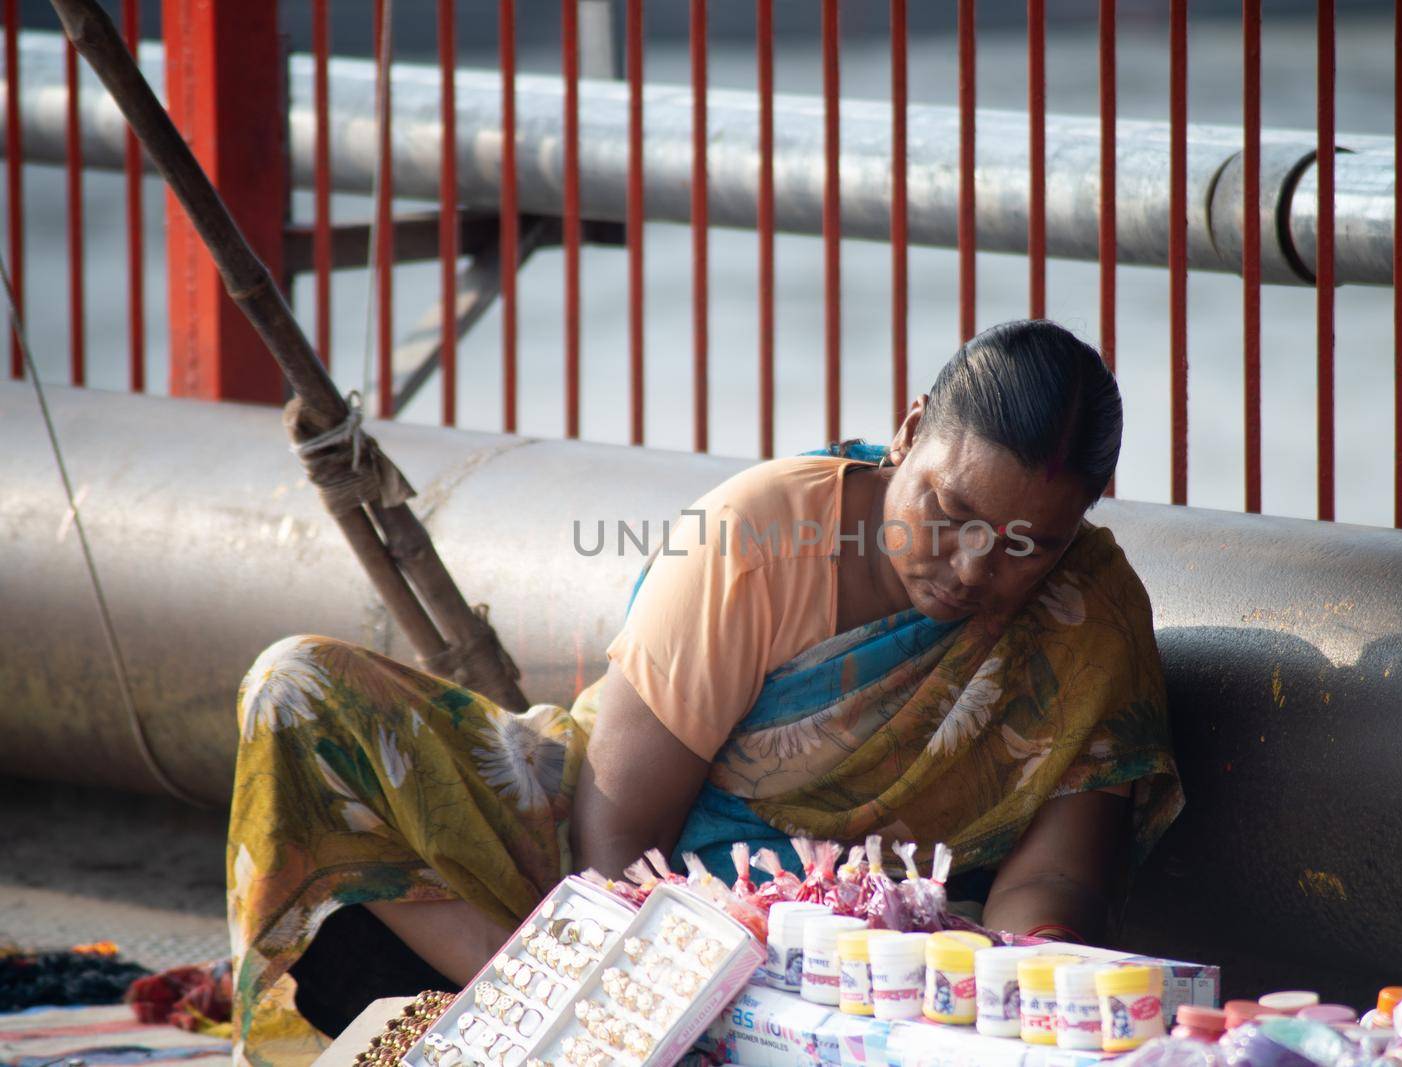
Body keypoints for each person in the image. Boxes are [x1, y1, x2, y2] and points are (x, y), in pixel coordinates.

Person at [225, 319, 1183, 1066]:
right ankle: (527, 1016)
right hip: (622, 895)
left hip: (868, 963)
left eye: (1029, 544)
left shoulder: (1086, 613)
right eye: (951, 511)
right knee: (299, 691)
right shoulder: (760, 532)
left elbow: (1054, 881)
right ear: (910, 430)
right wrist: (646, 985)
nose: (976, 567)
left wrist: (1000, 1002)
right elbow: (618, 832)